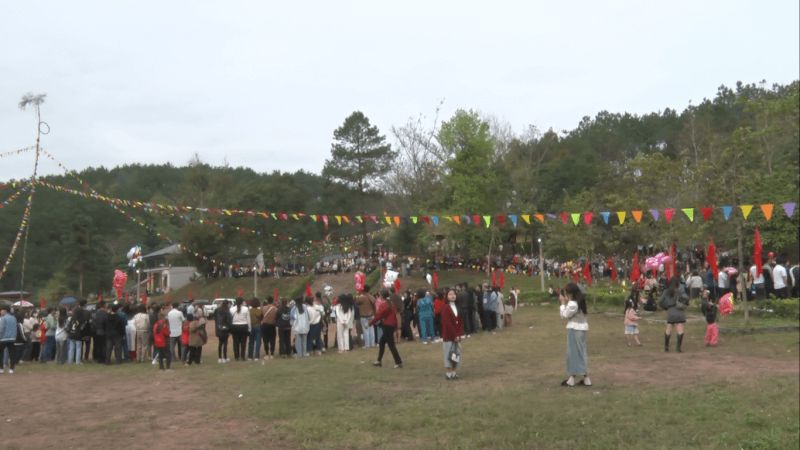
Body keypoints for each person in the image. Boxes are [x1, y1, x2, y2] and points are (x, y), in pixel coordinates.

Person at [558, 283, 591, 387]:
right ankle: (586, 379)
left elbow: (564, 315)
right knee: (581, 353)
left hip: (575, 329)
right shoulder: (580, 300)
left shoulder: (573, 303)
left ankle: (572, 380)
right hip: (581, 329)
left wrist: (563, 303)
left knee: (573, 354)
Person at [368, 290, 403, 369]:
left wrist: (369, 324)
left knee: (391, 345)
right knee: (382, 343)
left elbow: (378, 316)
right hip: (391, 325)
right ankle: (379, 361)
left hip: (387, 326)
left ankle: (398, 362)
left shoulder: (384, 305)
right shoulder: (391, 304)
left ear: (382, 296)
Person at [660, 276, 690, 353]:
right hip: (679, 310)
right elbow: (686, 298)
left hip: (670, 311)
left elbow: (660, 301)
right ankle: (678, 348)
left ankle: (666, 347)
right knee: (680, 329)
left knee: (668, 329)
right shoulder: (679, 291)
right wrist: (685, 303)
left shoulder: (666, 291)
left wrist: (665, 307)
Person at [441, 288, 462, 381]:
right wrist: (454, 335)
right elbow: (447, 323)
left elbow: (461, 321)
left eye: (454, 294)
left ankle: (454, 372)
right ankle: (448, 373)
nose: (452, 296)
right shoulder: (445, 307)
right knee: (448, 354)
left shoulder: (458, 306)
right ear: (447, 296)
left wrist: (459, 334)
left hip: (457, 335)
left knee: (456, 354)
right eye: (450, 294)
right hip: (449, 335)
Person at [0, 305, 18, 374]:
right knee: (12, 354)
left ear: (5, 310)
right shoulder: (13, 318)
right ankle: (11, 369)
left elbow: (1, 329)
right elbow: (16, 328)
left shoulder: (3, 318)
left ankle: (1, 368)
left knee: (0, 353)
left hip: (4, 338)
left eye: (1, 310)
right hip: (12, 338)